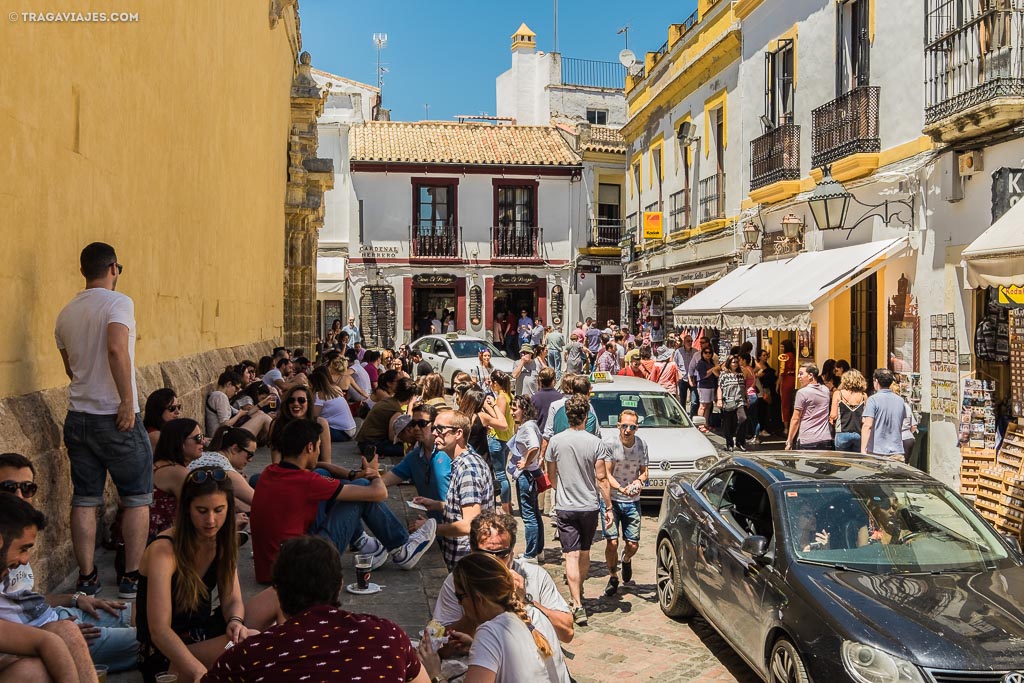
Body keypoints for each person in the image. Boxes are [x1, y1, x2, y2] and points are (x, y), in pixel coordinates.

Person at [55, 242, 152, 599]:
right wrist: (126, 401)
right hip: (114, 415)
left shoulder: (65, 313)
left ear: (84, 270)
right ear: (113, 268)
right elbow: (115, 348)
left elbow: (70, 368)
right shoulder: (118, 302)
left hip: (78, 415)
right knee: (137, 496)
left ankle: (87, 578)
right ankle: (130, 578)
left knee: (85, 498)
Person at [204, 536, 428, 683]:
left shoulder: (247, 656)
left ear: (277, 591)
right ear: (339, 586)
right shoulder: (388, 636)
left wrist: (239, 645)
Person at [250, 420, 437, 585]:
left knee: (331, 478)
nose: (318, 453)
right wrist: (373, 473)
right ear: (309, 447)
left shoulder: (269, 472)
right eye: (318, 447)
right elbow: (378, 493)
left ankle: (371, 547)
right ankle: (402, 549)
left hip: (272, 569)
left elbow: (319, 470)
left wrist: (348, 474)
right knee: (362, 487)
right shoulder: (306, 482)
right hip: (303, 570)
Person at [136, 468, 278, 683]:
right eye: (202, 511)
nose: (211, 520)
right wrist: (196, 670)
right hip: (168, 653)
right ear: (187, 510)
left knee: (278, 595)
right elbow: (159, 631)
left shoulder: (221, 540)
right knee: (257, 644)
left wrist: (236, 621)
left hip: (203, 633)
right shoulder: (164, 552)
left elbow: (232, 599)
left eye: (219, 510)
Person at [0, 454, 136, 674]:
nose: (19, 495)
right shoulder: (8, 546)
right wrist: (62, 635)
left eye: (27, 488)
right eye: (9, 487)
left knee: (145, 614)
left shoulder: (18, 539)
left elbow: (20, 600)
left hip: (57, 618)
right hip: (46, 632)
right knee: (152, 639)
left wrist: (75, 599)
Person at [418, 553, 570, 683]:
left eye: (460, 596)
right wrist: (475, 648)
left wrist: (434, 674)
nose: (459, 602)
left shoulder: (490, 632)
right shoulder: (535, 614)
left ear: (478, 599)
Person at [431, 511, 572, 646]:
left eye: (501, 554)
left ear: (512, 551)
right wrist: (474, 610)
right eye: (486, 554)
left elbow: (567, 633)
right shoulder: (456, 581)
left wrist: (525, 601)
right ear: (472, 551)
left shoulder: (535, 575)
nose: (494, 562)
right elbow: (435, 640)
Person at [0, 494, 98, 683]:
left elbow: (47, 641)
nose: (25, 560)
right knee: (34, 671)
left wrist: (75, 598)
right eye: (23, 549)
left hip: (53, 623)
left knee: (64, 632)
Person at [545, 394, 612, 626]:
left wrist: (560, 488)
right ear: (585, 416)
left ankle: (577, 603)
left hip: (565, 506)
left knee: (570, 555)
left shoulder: (555, 441)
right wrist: (609, 506)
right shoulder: (596, 443)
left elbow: (551, 475)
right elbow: (602, 478)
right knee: (584, 552)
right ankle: (579, 590)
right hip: (589, 506)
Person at [411, 411, 495, 571]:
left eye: (440, 429)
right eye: (434, 428)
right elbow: (464, 508)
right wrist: (436, 505)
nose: (434, 433)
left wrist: (430, 527)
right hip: (460, 558)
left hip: (466, 562)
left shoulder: (468, 469)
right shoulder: (461, 462)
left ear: (458, 433)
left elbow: (471, 524)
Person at [600, 410, 648, 597]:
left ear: (637, 428)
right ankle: (613, 576)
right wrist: (621, 489)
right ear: (618, 425)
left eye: (632, 427)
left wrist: (639, 481)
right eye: (624, 426)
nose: (628, 430)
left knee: (633, 544)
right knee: (612, 541)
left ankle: (626, 559)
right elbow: (606, 474)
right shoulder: (610, 444)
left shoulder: (641, 445)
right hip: (612, 499)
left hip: (632, 501)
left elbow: (644, 471)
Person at [383, 405, 451, 521]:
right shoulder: (414, 457)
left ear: (435, 425)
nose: (416, 428)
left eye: (422, 424)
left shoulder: (452, 452)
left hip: (458, 529)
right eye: (413, 424)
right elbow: (385, 481)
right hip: (435, 527)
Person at [148, 419, 204, 538]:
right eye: (198, 438)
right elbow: (198, 507)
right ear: (180, 442)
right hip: (159, 538)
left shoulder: (160, 464)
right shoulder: (178, 473)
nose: (203, 442)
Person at [506, 397, 545, 560]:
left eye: (515, 409)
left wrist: (526, 462)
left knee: (529, 515)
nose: (512, 412)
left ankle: (530, 553)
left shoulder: (528, 427)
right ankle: (538, 550)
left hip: (527, 475)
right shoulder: (531, 425)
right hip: (532, 472)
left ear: (524, 409)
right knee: (534, 513)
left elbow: (534, 446)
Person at [268, 385, 332, 464]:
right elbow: (276, 462)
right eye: (291, 400)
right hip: (287, 472)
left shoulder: (320, 423)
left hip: (315, 471)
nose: (296, 403)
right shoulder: (278, 424)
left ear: (309, 403)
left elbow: (327, 462)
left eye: (301, 400)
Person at [356, 375, 417, 458]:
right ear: (410, 397)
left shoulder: (388, 400)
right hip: (371, 444)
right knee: (409, 450)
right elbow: (392, 437)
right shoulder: (395, 410)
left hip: (365, 441)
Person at [204, 368, 272, 441]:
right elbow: (225, 424)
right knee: (263, 418)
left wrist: (262, 404)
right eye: (236, 389)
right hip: (223, 439)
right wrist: (239, 415)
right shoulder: (220, 396)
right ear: (229, 384)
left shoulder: (219, 396)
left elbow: (246, 413)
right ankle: (279, 443)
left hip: (226, 435)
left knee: (259, 413)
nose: (236, 393)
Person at [861, 368, 910, 460]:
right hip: (896, 450)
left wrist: (863, 449)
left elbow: (867, 425)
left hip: (876, 451)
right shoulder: (900, 400)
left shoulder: (873, 400)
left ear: (876, 381)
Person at [487, 371, 516, 516]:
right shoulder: (509, 395)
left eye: (492, 382)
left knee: (500, 475)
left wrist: (491, 407)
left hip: (498, 438)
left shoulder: (501, 397)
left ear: (496, 383)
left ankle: (505, 507)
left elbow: (499, 419)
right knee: (502, 474)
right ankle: (507, 505)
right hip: (505, 439)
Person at [785, 364, 833, 451]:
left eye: (801, 374)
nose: (798, 377)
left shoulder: (802, 393)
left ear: (810, 375)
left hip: (807, 440)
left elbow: (796, 419)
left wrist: (789, 440)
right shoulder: (825, 390)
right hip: (825, 439)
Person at [308, 365, 357, 443]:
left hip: (341, 432)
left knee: (308, 430)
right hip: (350, 430)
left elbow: (313, 416)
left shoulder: (319, 395)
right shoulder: (334, 391)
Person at [830, 368, 868, 453]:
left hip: (842, 433)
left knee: (842, 463)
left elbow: (833, 415)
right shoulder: (863, 395)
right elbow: (865, 417)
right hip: (859, 433)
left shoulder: (838, 394)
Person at [717, 355, 748, 452]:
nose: (735, 364)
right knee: (728, 423)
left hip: (740, 400)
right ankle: (729, 443)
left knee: (743, 419)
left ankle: (739, 442)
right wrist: (719, 399)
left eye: (736, 362)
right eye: (733, 362)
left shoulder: (740, 374)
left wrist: (747, 398)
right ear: (729, 363)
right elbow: (720, 387)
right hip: (728, 401)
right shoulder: (724, 374)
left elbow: (744, 386)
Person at [693, 344, 720, 432]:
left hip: (711, 385)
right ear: (702, 354)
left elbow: (716, 374)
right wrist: (712, 369)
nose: (708, 354)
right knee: (703, 405)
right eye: (706, 353)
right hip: (703, 386)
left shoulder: (712, 362)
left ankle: (706, 423)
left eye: (710, 353)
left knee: (708, 405)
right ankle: (700, 425)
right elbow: (703, 375)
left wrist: (717, 369)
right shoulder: (701, 363)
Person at [530, 368, 562, 434]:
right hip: (556, 436)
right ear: (554, 380)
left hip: (539, 436)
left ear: (540, 381)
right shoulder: (561, 398)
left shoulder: (534, 398)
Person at [674, 335, 698, 410]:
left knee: (694, 401)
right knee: (682, 400)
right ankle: (684, 417)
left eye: (691, 341)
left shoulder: (695, 352)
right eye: (688, 341)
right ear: (684, 342)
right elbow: (675, 365)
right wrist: (678, 374)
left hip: (692, 378)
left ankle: (692, 416)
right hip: (682, 379)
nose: (690, 343)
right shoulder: (678, 352)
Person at [778, 339, 798, 426]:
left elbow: (782, 371)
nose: (781, 348)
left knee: (785, 403)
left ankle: (786, 426)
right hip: (794, 379)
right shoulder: (794, 355)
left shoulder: (784, 356)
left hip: (786, 380)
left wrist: (778, 383)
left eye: (782, 346)